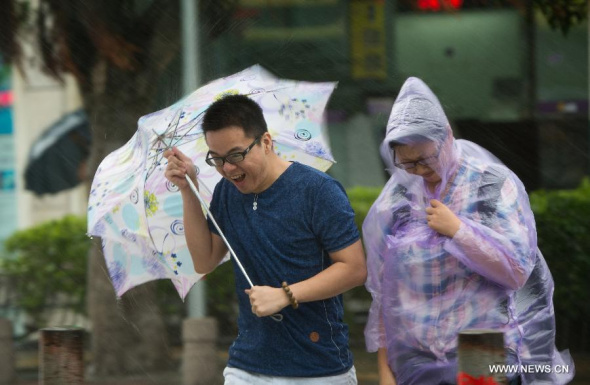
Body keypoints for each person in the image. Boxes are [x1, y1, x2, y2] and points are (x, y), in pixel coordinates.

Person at [363, 77, 574, 385]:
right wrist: (386, 368)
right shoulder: (399, 198)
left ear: (446, 138)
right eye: (407, 164)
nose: (419, 172)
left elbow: (516, 270)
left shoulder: (489, 186)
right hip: (414, 353)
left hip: (481, 342)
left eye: (424, 160)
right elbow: (386, 292)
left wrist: (459, 232)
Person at [164, 94, 367, 384]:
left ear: (266, 142)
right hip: (246, 366)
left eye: (236, 155)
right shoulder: (226, 192)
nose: (228, 168)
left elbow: (354, 268)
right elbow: (204, 260)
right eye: (217, 159)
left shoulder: (318, 191)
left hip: (318, 367)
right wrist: (188, 189)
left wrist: (285, 295)